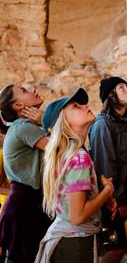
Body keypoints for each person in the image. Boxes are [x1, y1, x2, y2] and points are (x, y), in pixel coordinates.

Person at [35, 88, 116, 263]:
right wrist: (107, 191)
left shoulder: (68, 153)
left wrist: (98, 190)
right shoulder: (78, 157)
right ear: (63, 122)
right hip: (74, 245)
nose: (85, 106)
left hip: (64, 241)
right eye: (75, 106)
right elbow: (78, 216)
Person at [0, 84, 51, 263]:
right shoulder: (23, 127)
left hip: (29, 205)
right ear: (18, 106)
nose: (32, 89)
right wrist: (47, 120)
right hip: (24, 209)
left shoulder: (28, 127)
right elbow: (61, 150)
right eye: (24, 90)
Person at [89, 77, 127, 262]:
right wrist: (119, 199)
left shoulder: (120, 121)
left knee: (126, 246)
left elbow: (123, 158)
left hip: (123, 195)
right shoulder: (103, 125)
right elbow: (105, 168)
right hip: (113, 201)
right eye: (121, 87)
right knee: (114, 249)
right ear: (111, 95)